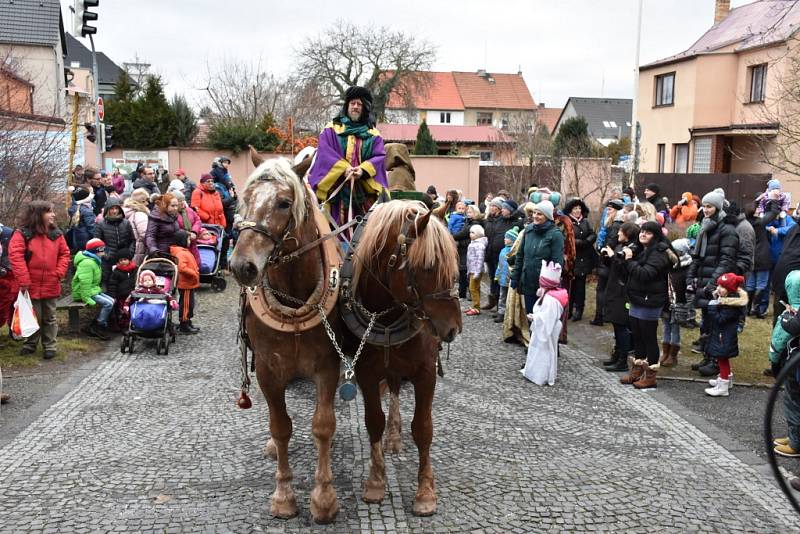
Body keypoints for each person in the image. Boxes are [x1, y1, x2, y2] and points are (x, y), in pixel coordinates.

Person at [308, 85, 389, 234]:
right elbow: (324, 152)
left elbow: (380, 156)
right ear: (347, 106)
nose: (356, 107)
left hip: (363, 195)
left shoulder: (374, 134)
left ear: (364, 107)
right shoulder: (331, 129)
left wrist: (363, 170)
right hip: (335, 196)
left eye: (359, 104)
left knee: (367, 233)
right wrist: (343, 169)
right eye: (353, 103)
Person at [7, 202, 70, 358]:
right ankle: (30, 344)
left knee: (49, 316)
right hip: (29, 284)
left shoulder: (56, 234)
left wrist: (58, 273)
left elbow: (64, 254)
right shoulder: (22, 234)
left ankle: (50, 346)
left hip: (51, 282)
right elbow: (16, 257)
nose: (53, 215)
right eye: (49, 212)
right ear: (38, 214)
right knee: (32, 315)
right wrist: (24, 280)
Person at [688, 189, 740, 376]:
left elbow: (727, 259)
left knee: (716, 324)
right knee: (707, 323)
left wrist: (712, 283)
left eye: (709, 206)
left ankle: (716, 362)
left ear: (717, 207)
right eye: (704, 206)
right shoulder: (706, 226)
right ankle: (708, 356)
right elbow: (698, 255)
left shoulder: (727, 230)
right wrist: (691, 276)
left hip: (716, 284)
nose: (705, 209)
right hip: (705, 280)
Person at [620, 221, 676, 389]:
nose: (643, 234)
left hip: (651, 299)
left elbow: (646, 274)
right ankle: (637, 371)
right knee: (637, 334)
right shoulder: (640, 249)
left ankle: (651, 375)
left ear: (656, 235)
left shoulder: (659, 253)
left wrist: (629, 261)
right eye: (642, 231)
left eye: (648, 232)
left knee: (648, 336)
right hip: (637, 297)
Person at [510, 200, 565, 314]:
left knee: (542, 321)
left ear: (547, 216)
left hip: (545, 286)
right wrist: (515, 277)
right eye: (534, 213)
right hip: (528, 281)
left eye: (539, 214)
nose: (535, 216)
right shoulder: (529, 230)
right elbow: (520, 255)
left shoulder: (555, 234)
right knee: (531, 317)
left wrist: (552, 285)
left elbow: (557, 263)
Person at [600, 222, 640, 373]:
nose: (618, 234)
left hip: (623, 292)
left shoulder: (632, 249)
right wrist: (606, 256)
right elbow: (613, 266)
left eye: (621, 232)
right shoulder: (619, 245)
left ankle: (623, 359)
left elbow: (625, 269)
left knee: (621, 325)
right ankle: (617, 355)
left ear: (627, 234)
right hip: (614, 288)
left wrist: (613, 257)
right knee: (616, 325)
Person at [521, 260, 569, 386]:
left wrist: (535, 318)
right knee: (536, 350)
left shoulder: (551, 300)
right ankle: (532, 372)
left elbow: (548, 318)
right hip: (542, 328)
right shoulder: (547, 296)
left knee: (544, 352)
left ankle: (540, 375)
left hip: (546, 330)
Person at [704, 273, 748, 397]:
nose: (718, 289)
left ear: (730, 291)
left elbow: (720, 319)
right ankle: (726, 379)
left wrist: (712, 307)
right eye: (718, 285)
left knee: (722, 358)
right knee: (722, 358)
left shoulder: (730, 305)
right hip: (721, 335)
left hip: (723, 336)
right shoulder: (724, 301)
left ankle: (723, 386)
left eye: (722, 287)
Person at [484, 198, 522, 314]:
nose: (502, 211)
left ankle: (503, 308)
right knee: (493, 278)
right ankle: (494, 302)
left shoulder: (517, 222)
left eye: (504, 209)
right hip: (493, 253)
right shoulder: (499, 219)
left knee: (503, 281)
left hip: (505, 256)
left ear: (510, 210)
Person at [72, 238, 115, 340]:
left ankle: (95, 325)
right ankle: (98, 326)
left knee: (112, 301)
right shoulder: (87, 263)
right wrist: (87, 298)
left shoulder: (94, 260)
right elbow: (84, 283)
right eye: (102, 250)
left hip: (92, 289)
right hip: (82, 292)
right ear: (95, 251)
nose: (104, 252)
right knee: (108, 304)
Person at [660, 238, 692, 367]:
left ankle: (673, 356)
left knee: (675, 328)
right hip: (666, 301)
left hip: (679, 302)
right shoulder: (669, 266)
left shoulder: (687, 268)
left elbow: (689, 289)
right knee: (665, 327)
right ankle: (665, 352)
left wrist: (686, 305)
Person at [592, 198, 625, 327]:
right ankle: (603, 315)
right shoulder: (611, 223)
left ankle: (600, 316)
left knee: (602, 289)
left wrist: (602, 253)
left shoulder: (615, 224)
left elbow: (610, 243)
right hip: (607, 261)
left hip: (607, 261)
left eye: (610, 209)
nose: (608, 211)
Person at [564, 198, 595, 322]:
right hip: (572, 258)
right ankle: (569, 309)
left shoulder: (585, 222)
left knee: (581, 286)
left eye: (579, 208)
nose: (578, 211)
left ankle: (579, 310)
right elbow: (565, 237)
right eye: (575, 208)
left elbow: (593, 234)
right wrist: (577, 242)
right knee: (570, 285)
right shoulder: (567, 222)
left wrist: (587, 241)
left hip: (584, 258)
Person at [94, 198, 135, 285]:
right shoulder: (101, 224)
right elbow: (97, 243)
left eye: (116, 208)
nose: (114, 211)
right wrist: (106, 255)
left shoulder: (126, 223)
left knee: (125, 284)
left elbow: (132, 240)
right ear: (107, 210)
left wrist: (129, 254)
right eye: (112, 209)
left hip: (124, 260)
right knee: (107, 282)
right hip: (108, 261)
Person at [170, 231, 201, 334]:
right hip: (186, 283)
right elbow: (182, 268)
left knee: (189, 303)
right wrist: (193, 273)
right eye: (188, 239)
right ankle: (184, 323)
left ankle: (187, 321)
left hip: (188, 283)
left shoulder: (182, 251)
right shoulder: (181, 253)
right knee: (186, 304)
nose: (189, 241)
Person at [453, 204, 481, 299]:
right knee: (462, 271)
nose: (468, 214)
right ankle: (462, 293)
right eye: (468, 212)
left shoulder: (475, 223)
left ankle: (470, 294)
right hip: (463, 249)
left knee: (467, 272)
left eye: (470, 212)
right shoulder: (467, 222)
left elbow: (463, 233)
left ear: (475, 213)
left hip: (469, 249)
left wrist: (451, 237)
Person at [106, 249, 137, 331]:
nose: (123, 262)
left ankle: (132, 322)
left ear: (129, 260)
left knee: (132, 309)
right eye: (121, 260)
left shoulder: (134, 269)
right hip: (121, 295)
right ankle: (123, 324)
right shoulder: (116, 272)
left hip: (133, 295)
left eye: (125, 259)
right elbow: (112, 285)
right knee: (123, 311)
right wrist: (113, 295)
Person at [494, 227, 518, 324]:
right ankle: (501, 312)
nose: (504, 239)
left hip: (510, 278)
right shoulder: (503, 250)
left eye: (507, 238)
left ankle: (509, 314)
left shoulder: (514, 252)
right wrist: (497, 275)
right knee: (502, 296)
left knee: (510, 297)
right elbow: (500, 265)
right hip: (502, 278)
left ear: (512, 240)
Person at [123, 188, 151, 266]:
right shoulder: (140, 214)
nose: (147, 203)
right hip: (138, 249)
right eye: (146, 200)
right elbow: (144, 234)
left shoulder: (127, 211)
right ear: (142, 201)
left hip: (128, 248)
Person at [0, 222, 18, 337]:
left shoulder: (10, 233)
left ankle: (14, 329)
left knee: (14, 303)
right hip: (5, 274)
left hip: (10, 273)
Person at [465, 225, 488, 316]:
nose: (470, 234)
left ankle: (476, 307)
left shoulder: (479, 245)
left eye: (473, 232)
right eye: (470, 232)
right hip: (472, 269)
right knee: (475, 288)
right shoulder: (473, 243)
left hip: (476, 271)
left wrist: (477, 272)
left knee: (473, 288)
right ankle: (475, 305)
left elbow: (480, 259)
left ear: (479, 234)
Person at [67, 185, 96, 252]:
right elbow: (91, 227)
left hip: (77, 237)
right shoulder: (87, 211)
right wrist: (97, 238)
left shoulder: (74, 207)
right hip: (86, 239)